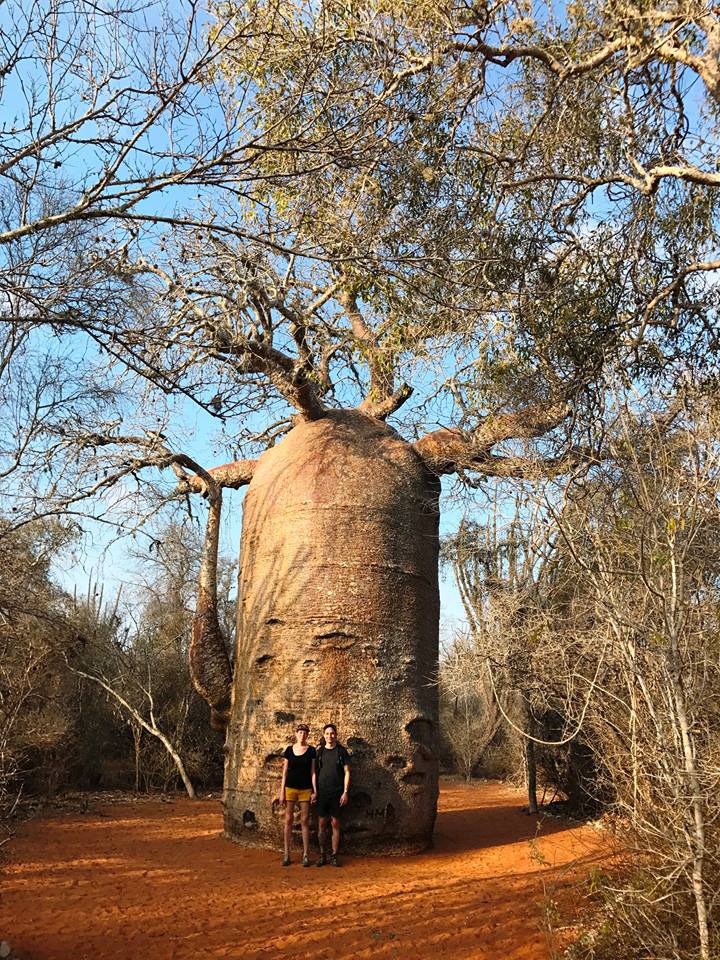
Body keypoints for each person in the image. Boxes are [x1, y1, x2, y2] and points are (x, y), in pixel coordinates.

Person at [277, 723, 317, 867]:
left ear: (308, 735)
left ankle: (305, 854)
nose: (302, 735)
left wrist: (315, 790)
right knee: (288, 820)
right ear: (296, 734)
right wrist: (281, 791)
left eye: (305, 732)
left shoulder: (312, 751)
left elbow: (313, 772)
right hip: (290, 788)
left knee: (304, 821)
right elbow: (285, 771)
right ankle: (286, 853)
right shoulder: (289, 750)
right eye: (300, 732)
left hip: (305, 789)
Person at [315, 722, 350, 867]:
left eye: (332, 733)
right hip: (322, 793)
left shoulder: (341, 752)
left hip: (337, 792)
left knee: (335, 823)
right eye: (327, 733)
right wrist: (314, 792)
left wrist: (345, 792)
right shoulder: (320, 752)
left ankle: (334, 855)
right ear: (324, 736)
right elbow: (314, 773)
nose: (330, 736)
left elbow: (347, 772)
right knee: (322, 824)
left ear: (336, 735)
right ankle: (322, 854)